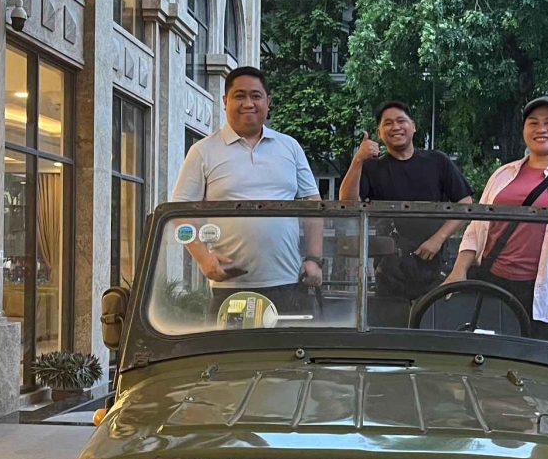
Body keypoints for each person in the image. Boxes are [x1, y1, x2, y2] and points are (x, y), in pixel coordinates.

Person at [443, 97, 548, 339]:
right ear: (524, 130)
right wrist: (459, 269)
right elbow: (478, 227)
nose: (541, 129)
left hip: (539, 292)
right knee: (486, 358)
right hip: (491, 282)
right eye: (533, 123)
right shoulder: (503, 174)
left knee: (529, 362)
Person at [171, 66, 324, 314]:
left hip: (290, 282)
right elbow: (179, 214)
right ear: (225, 101)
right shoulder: (202, 151)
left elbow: (313, 206)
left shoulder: (290, 147)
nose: (248, 103)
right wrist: (202, 257)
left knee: (289, 352)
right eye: (239, 96)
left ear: (268, 101)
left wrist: (314, 259)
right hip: (230, 285)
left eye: (256, 96)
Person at [338, 101, 474, 317]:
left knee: (433, 330)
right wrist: (358, 160)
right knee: (391, 333)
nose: (396, 127)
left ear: (413, 126)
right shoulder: (373, 168)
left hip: (435, 265)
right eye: (388, 123)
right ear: (379, 132)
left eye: (401, 121)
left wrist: (438, 239)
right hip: (390, 269)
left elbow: (465, 203)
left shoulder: (437, 161)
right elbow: (347, 201)